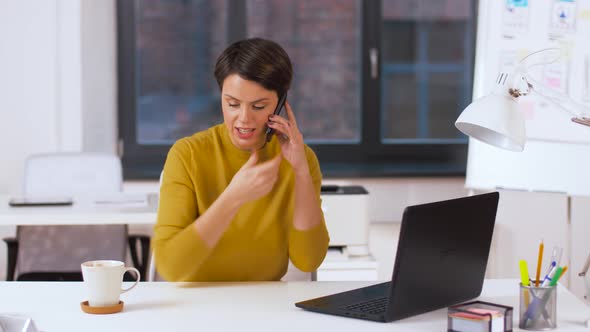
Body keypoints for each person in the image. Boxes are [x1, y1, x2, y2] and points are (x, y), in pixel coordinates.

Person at [152, 38, 330, 281]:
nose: (244, 118)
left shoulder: (301, 159)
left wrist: (300, 172)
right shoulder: (187, 155)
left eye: (258, 106)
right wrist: (234, 197)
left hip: (266, 306)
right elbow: (171, 268)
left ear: (279, 104)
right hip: (197, 308)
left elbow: (308, 259)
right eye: (233, 104)